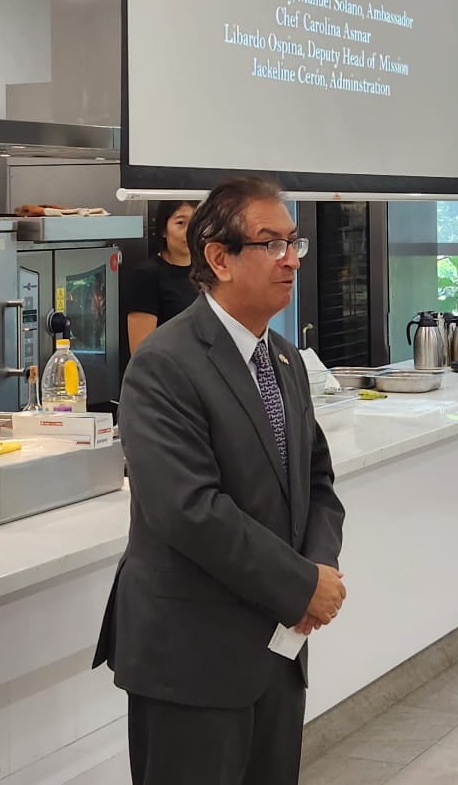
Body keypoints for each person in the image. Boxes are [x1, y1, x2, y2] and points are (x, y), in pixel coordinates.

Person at [94, 176, 347, 785]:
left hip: (277, 648)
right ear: (218, 258)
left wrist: (313, 578)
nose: (291, 260)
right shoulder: (164, 363)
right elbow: (187, 508)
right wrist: (298, 584)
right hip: (192, 657)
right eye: (271, 244)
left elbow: (316, 481)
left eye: (295, 243)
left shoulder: (281, 357)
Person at [122, 200, 199, 355]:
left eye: (195, 223)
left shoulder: (208, 272)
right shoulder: (146, 275)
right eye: (181, 223)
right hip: (166, 374)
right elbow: (141, 352)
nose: (189, 231)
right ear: (164, 229)